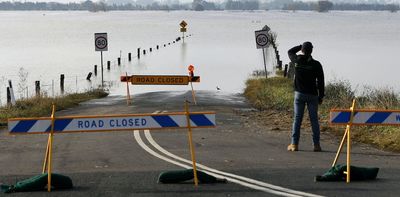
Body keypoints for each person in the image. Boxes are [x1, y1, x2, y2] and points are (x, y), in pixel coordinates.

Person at [287, 42, 325, 152]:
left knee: (297, 119)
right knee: (314, 120)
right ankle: (316, 145)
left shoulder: (297, 60)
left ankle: (294, 144)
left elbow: (290, 51)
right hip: (313, 95)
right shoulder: (316, 64)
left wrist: (300, 46)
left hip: (299, 95)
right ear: (312, 50)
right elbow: (321, 81)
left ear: (302, 50)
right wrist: (321, 96)